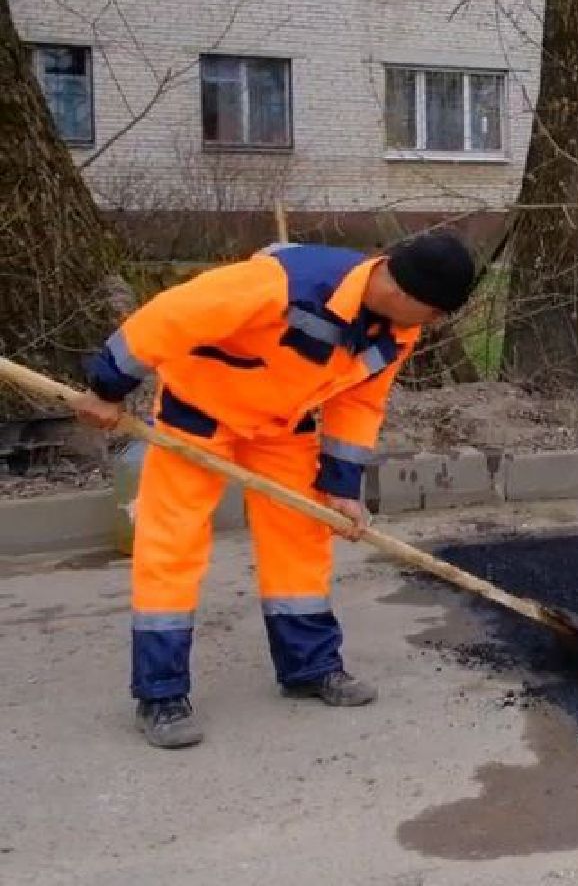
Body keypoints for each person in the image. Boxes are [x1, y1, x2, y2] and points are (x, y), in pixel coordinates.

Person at [70, 231, 478, 750]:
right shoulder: (282, 281)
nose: (436, 325)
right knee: (171, 545)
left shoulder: (397, 331)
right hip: (198, 413)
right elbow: (171, 315)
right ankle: (161, 694)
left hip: (281, 426)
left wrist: (342, 487)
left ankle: (309, 667)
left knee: (301, 538)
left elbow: (358, 405)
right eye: (436, 313)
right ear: (404, 291)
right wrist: (106, 388)